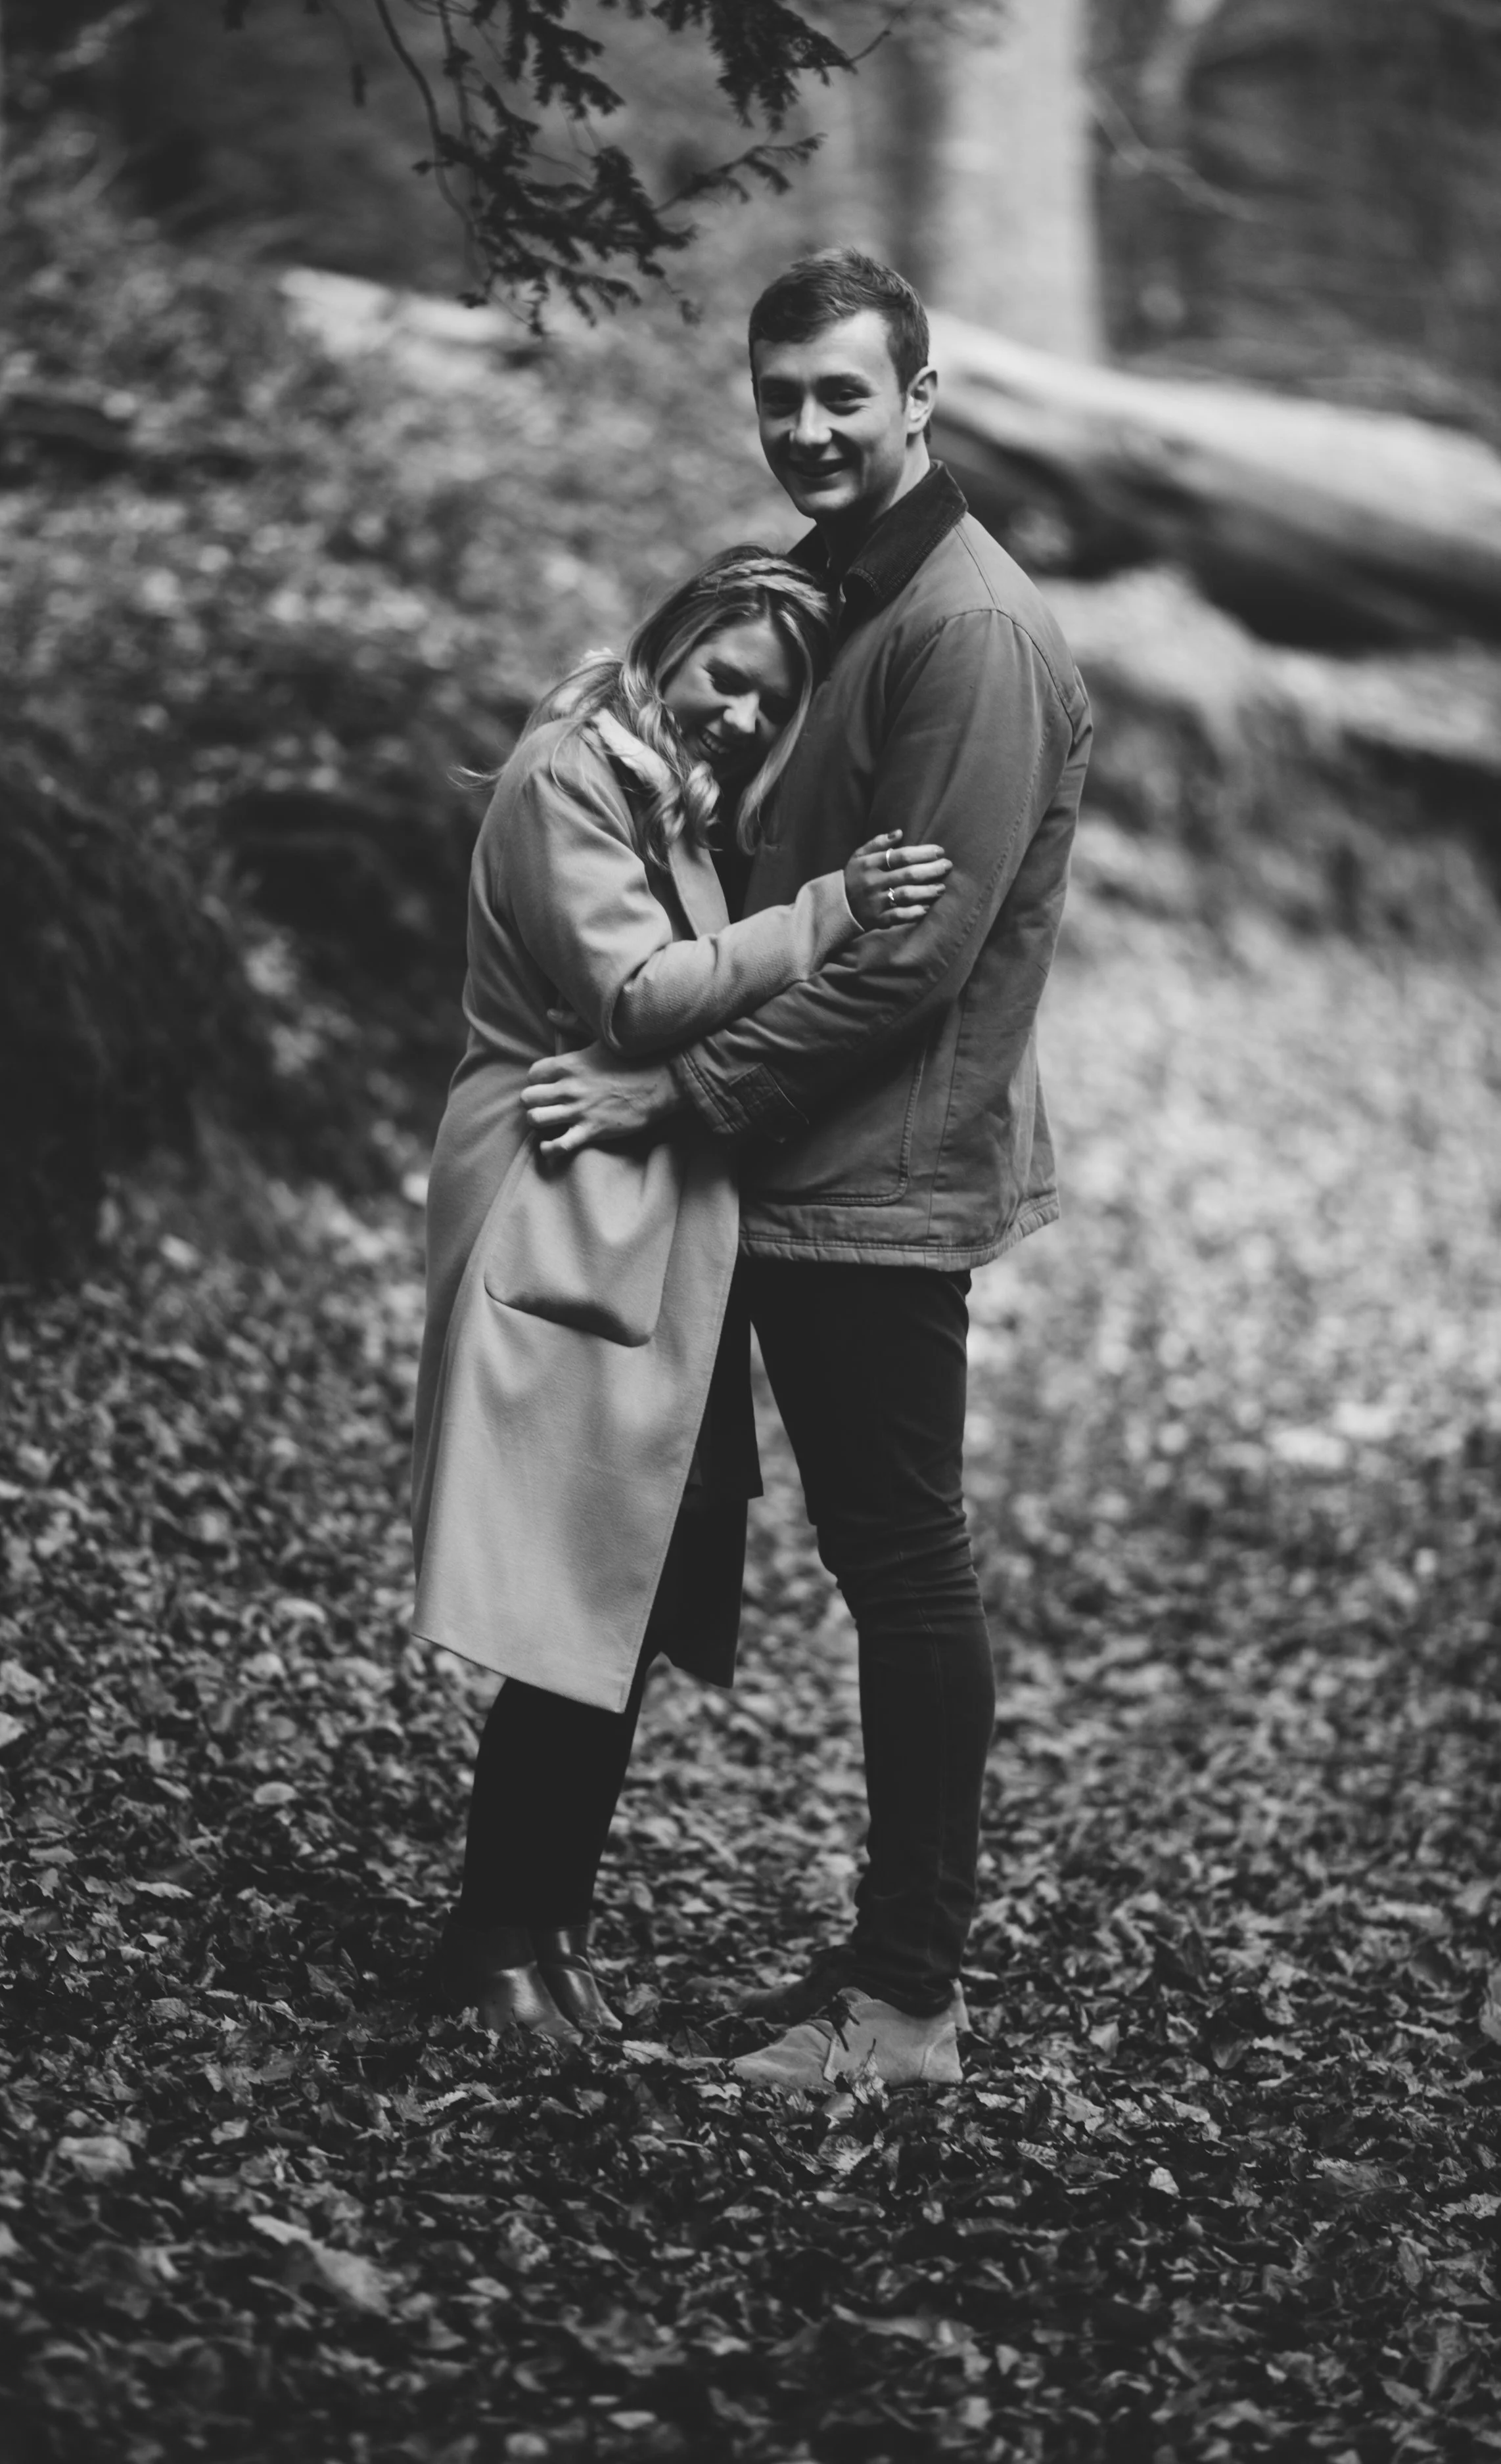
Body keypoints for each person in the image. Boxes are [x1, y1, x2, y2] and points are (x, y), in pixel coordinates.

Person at [520, 251, 1094, 2091]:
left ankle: (906, 1996)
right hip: (759, 1171)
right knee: (619, 1523)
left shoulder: (966, 629)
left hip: (868, 1182)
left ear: (920, 397)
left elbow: (911, 959)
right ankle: (515, 1930)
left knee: (899, 1561)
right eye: (781, 395)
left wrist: (664, 1093)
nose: (807, 427)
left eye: (845, 394)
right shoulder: (827, 594)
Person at [410, 545, 952, 2039]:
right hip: (562, 1198)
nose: (739, 719)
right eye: (729, 680)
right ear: (676, 639)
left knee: (625, 1593)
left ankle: (546, 1934)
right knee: (577, 1588)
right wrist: (830, 911)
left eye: (770, 709)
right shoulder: (571, 772)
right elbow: (641, 996)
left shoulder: (669, 796)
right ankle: (491, 1942)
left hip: (645, 1221)